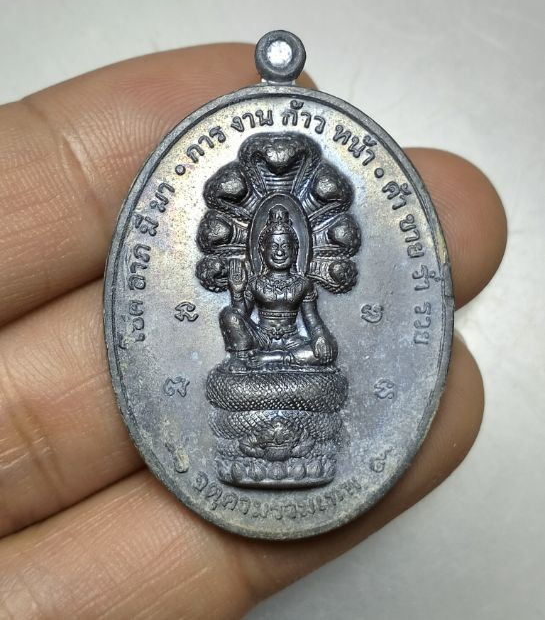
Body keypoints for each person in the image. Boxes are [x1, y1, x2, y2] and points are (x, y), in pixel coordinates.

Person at [0, 43, 506, 618]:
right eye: (272, 240)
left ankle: (294, 432)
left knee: (324, 370)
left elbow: (316, 332)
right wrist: (242, 321)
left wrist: (314, 344)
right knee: (230, 357)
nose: (281, 248)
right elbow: (236, 323)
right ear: (260, 239)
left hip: (296, 358)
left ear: (301, 242)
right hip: (255, 358)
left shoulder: (303, 284)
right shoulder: (251, 278)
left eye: (289, 241)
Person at [220, 204, 336, 369]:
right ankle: (242, 357)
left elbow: (312, 319)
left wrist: (320, 337)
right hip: (261, 339)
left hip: (292, 341)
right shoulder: (256, 283)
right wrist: (237, 292)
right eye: (273, 246)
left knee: (326, 350)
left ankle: (275, 358)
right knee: (228, 315)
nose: (279, 252)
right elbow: (241, 316)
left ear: (295, 250)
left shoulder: (303, 284)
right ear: (262, 249)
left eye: (285, 246)